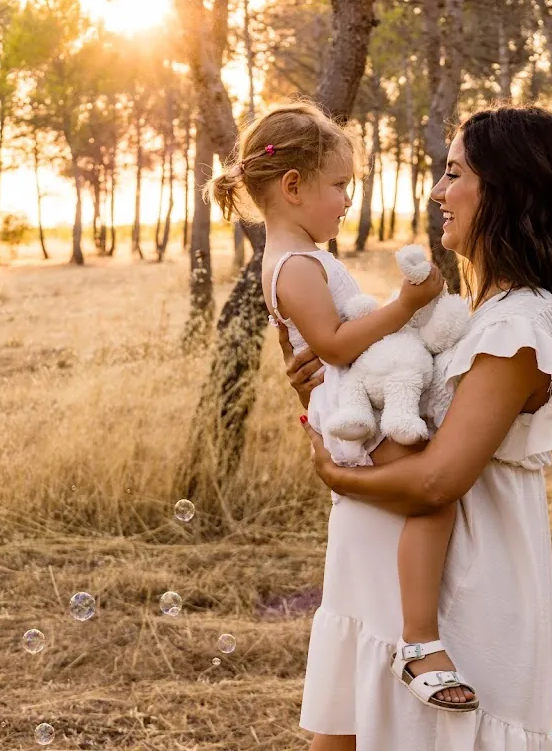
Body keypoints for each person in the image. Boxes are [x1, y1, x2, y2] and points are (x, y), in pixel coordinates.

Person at [284, 105, 552, 751]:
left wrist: (333, 468)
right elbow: (410, 426)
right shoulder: (477, 315)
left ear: (505, 188)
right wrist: (334, 388)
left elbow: (438, 478)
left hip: (468, 598)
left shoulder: (518, 328)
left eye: (454, 173)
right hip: (400, 589)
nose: (438, 191)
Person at [206, 101, 479, 715]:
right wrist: (406, 306)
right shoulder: (296, 265)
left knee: (430, 497)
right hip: (351, 408)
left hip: (359, 394)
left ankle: (415, 632)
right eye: (340, 186)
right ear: (294, 187)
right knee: (433, 495)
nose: (347, 201)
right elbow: (331, 343)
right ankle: (418, 637)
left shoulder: (304, 257)